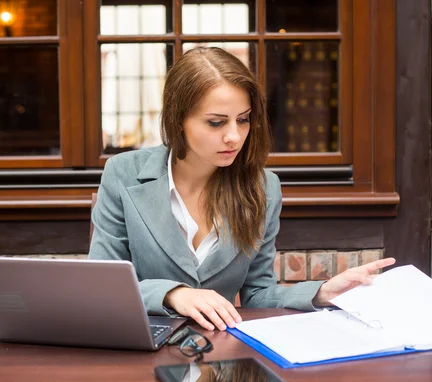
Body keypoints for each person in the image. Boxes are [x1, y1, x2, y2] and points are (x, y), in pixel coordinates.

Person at [88, 47, 395, 332]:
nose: (234, 136)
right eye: (216, 123)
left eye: (243, 120)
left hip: (220, 363)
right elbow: (102, 287)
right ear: (178, 119)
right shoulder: (123, 174)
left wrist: (322, 292)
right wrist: (172, 295)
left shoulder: (263, 188)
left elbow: (258, 294)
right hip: (139, 355)